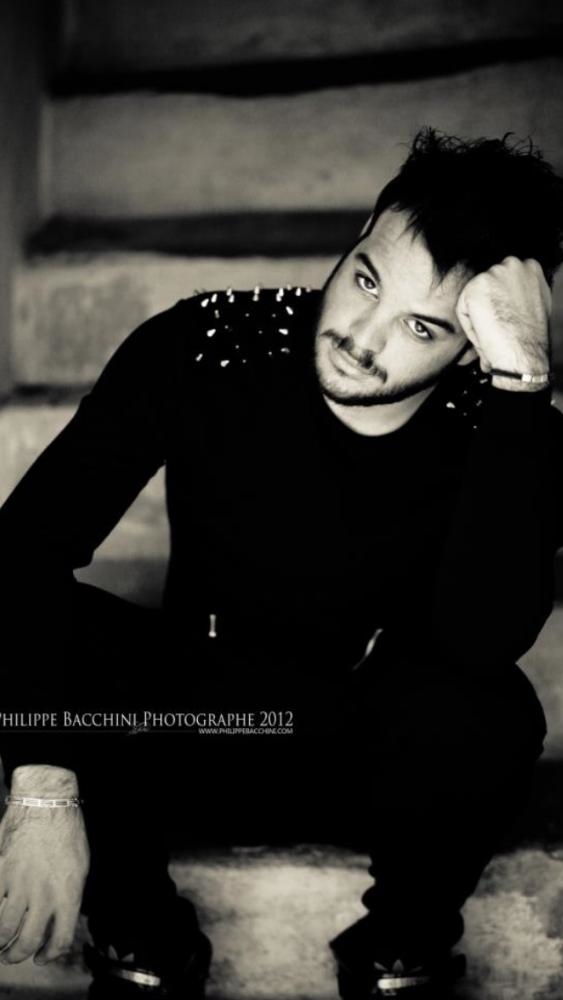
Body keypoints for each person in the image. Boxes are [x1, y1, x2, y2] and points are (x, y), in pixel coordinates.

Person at [0, 127, 562, 999]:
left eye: (421, 326)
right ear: (363, 228)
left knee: (492, 711)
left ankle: (399, 956)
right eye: (367, 280)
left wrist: (521, 386)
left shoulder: (503, 428)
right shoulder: (208, 345)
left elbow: (481, 643)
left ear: (472, 345)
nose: (361, 338)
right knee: (53, 625)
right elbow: (24, 550)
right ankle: (142, 943)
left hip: (362, 747)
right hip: (189, 723)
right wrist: (42, 783)